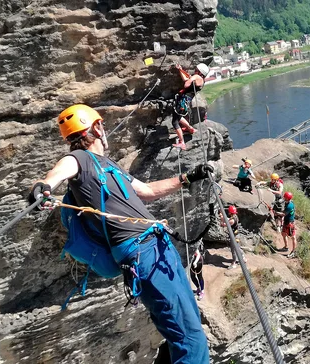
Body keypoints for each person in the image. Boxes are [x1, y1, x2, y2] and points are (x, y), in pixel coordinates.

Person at [27, 104, 212, 363]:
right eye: (101, 125)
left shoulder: (108, 164)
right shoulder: (79, 159)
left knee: (187, 324)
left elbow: (146, 190)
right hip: (142, 252)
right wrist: (43, 187)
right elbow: (59, 171)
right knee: (190, 338)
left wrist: (188, 177)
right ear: (96, 127)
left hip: (157, 246)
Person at [172, 63, 209, 150]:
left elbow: (186, 84)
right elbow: (186, 79)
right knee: (178, 116)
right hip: (187, 100)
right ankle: (190, 128)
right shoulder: (202, 80)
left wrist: (192, 77)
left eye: (196, 70)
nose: (195, 70)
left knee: (175, 121)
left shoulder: (196, 77)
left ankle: (182, 142)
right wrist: (180, 70)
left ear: (199, 71)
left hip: (182, 100)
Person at [281, 192, 297, 258]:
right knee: (283, 233)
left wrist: (276, 213)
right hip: (287, 221)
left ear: (287, 198)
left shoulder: (289, 206)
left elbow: (284, 214)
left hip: (290, 223)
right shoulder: (289, 203)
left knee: (293, 237)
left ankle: (293, 252)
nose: (284, 198)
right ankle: (286, 247)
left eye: (285, 197)